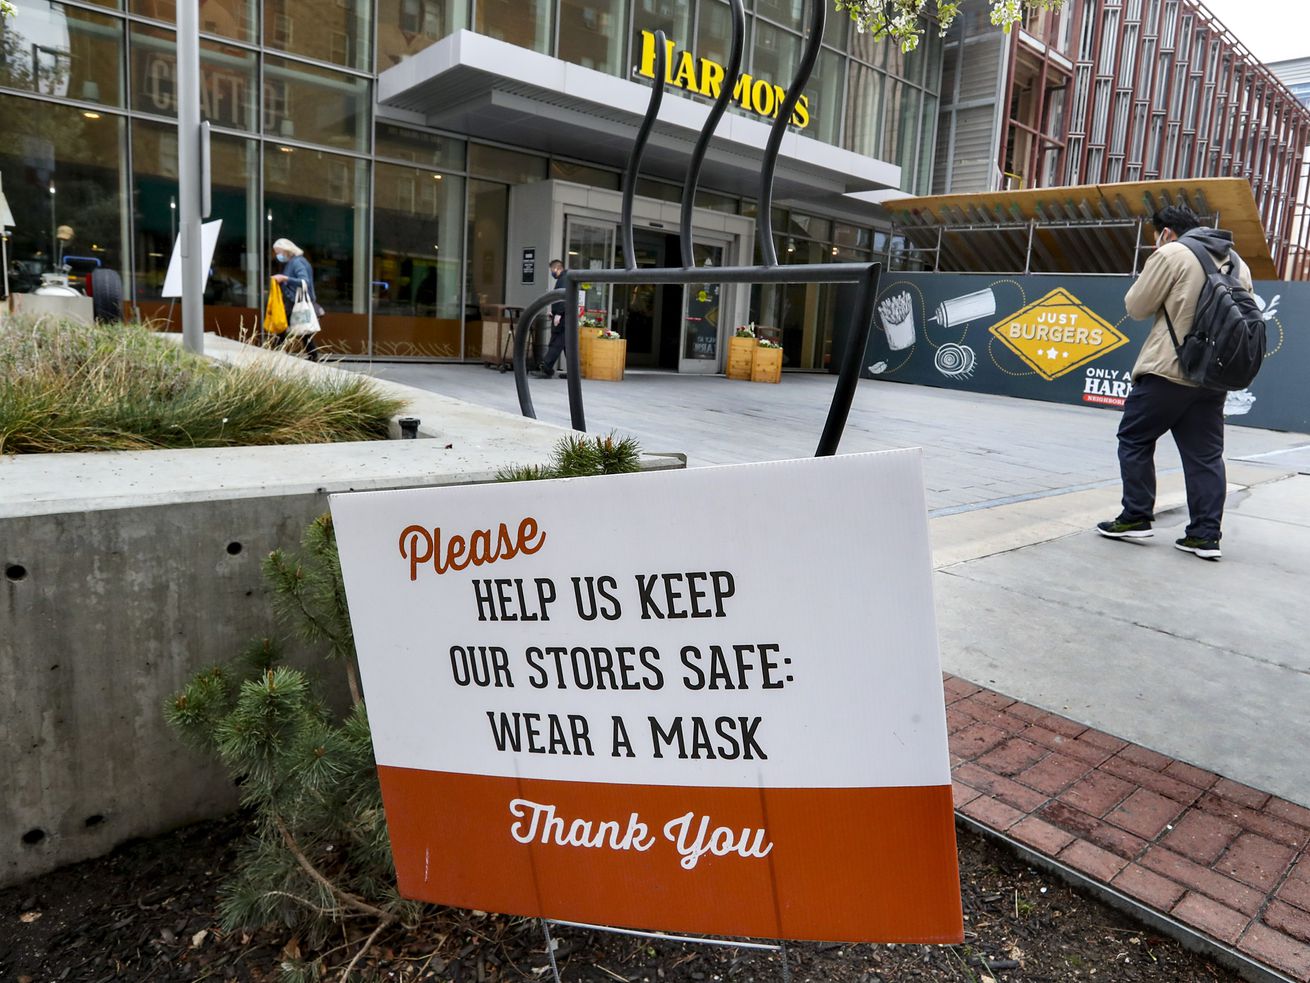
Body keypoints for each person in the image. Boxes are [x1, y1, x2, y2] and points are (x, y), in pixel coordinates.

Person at [1096, 204, 1251, 561]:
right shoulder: (1236, 261)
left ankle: (1135, 516)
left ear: (1165, 231)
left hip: (1169, 369)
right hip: (1214, 376)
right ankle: (1205, 536)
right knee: (1206, 456)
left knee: (1134, 438)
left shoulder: (1172, 253)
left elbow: (1136, 306)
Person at [271, 237, 319, 361]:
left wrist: (284, 279)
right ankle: (313, 355)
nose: (277, 255)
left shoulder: (296, 262)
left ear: (286, 250)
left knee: (283, 327)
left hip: (295, 302)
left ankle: (277, 353)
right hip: (295, 302)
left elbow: (305, 282)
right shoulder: (296, 262)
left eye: (278, 252)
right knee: (304, 331)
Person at [534, 259, 568, 379]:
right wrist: (553, 312)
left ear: (557, 269)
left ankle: (547, 368)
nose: (552, 273)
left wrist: (558, 314)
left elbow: (564, 298)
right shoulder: (564, 279)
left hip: (563, 318)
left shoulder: (564, 279)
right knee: (566, 346)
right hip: (564, 317)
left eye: (552, 270)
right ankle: (573, 373)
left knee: (556, 343)